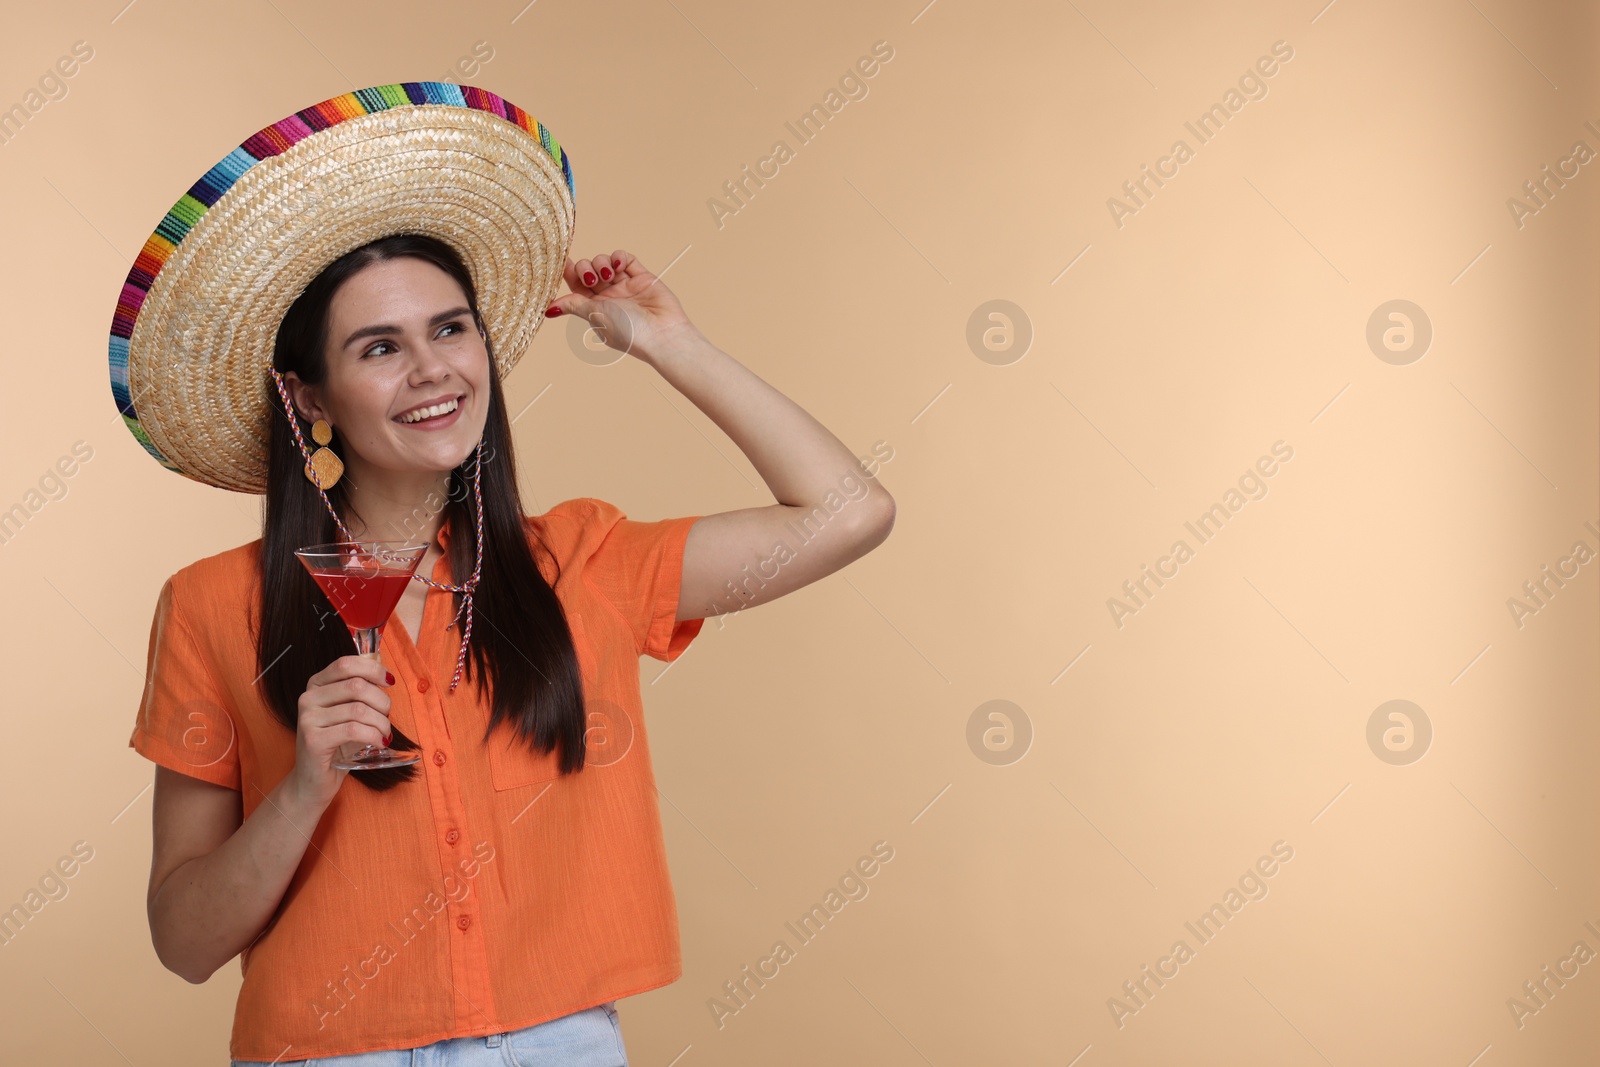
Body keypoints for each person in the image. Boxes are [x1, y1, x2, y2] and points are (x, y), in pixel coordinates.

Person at [111, 83, 894, 1066]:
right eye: (379, 347)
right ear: (309, 395)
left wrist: (664, 340)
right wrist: (304, 785)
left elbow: (849, 510)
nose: (432, 369)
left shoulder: (587, 561)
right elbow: (184, 941)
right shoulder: (211, 606)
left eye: (450, 328)